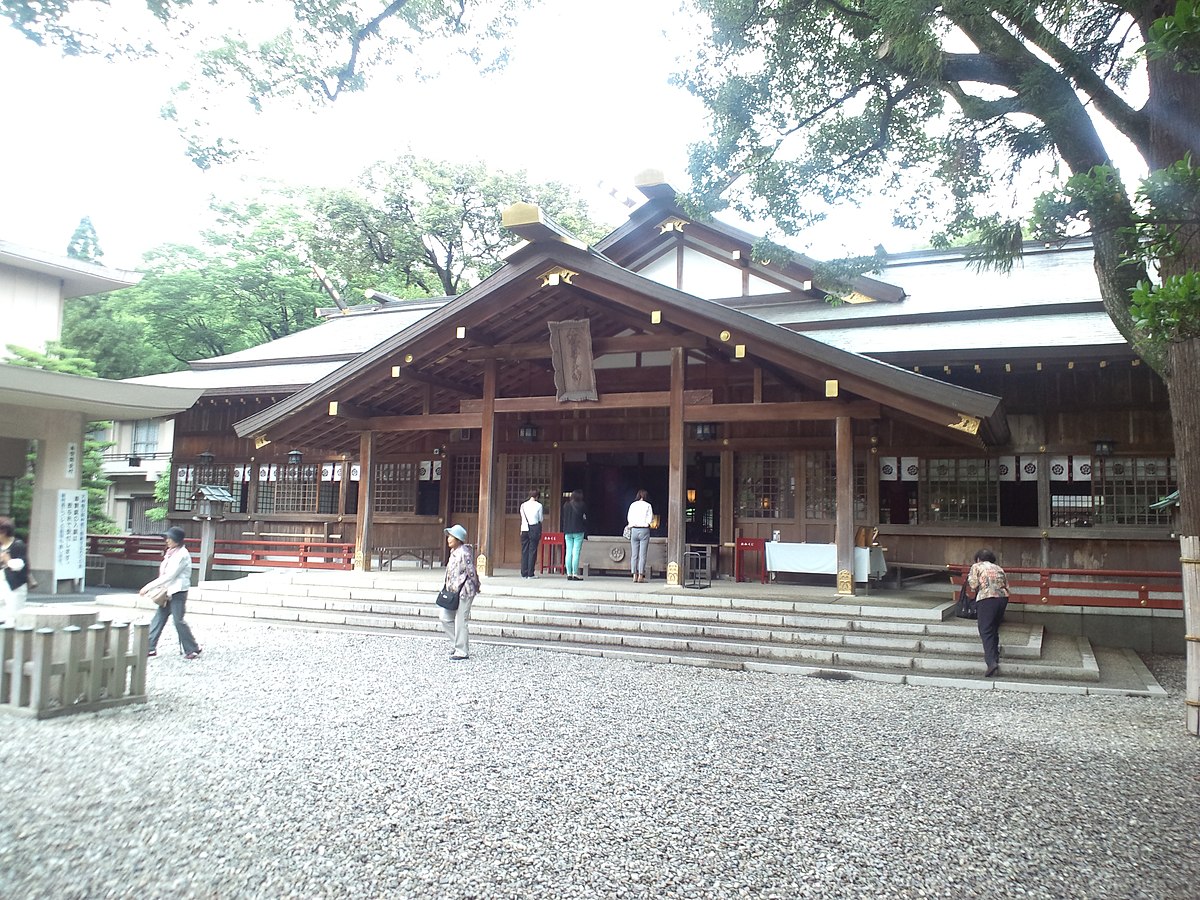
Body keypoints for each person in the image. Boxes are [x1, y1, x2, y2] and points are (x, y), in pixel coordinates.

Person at [141, 526, 202, 660]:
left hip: (178, 591)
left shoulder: (181, 555)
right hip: (168, 591)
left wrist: (149, 586)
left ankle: (192, 648)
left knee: (178, 620)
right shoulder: (171, 552)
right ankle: (150, 647)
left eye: (169, 538)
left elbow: (170, 575)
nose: (167, 540)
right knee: (159, 618)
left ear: (177, 540)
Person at [967, 548, 1010, 677]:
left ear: (978, 559)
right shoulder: (999, 568)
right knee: (994, 627)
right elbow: (1007, 585)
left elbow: (973, 585)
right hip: (1002, 598)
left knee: (985, 629)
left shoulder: (977, 566)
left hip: (987, 598)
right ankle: (995, 656)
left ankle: (991, 662)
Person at [441, 524, 481, 660]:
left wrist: (476, 585)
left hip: (465, 591)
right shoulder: (453, 552)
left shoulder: (464, 552)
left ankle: (462, 651)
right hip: (452, 591)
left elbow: (471, 571)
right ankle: (456, 644)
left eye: (451, 536)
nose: (449, 539)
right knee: (445, 617)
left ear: (458, 539)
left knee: (461, 620)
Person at [0, 517, 29, 625]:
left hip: (14, 586)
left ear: (3, 532)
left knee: (13, 617)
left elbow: (20, 565)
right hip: (2, 584)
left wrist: (7, 560)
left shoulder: (18, 545)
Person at [626, 489, 654, 583]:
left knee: (634, 554)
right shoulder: (648, 505)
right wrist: (646, 523)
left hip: (634, 529)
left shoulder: (633, 505)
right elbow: (650, 519)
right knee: (642, 554)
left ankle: (634, 575)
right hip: (644, 530)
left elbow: (629, 517)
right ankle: (641, 576)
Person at [561, 490, 588, 581]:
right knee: (576, 552)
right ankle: (575, 573)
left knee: (568, 551)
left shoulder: (566, 505)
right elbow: (585, 518)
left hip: (568, 530)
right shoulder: (582, 505)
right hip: (578, 531)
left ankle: (568, 573)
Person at [519, 488, 543, 578]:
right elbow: (540, 519)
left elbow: (522, 517)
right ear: (537, 496)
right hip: (534, 529)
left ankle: (523, 572)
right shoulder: (539, 506)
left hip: (524, 529)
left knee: (524, 551)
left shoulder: (523, 505)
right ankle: (530, 573)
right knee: (532, 551)